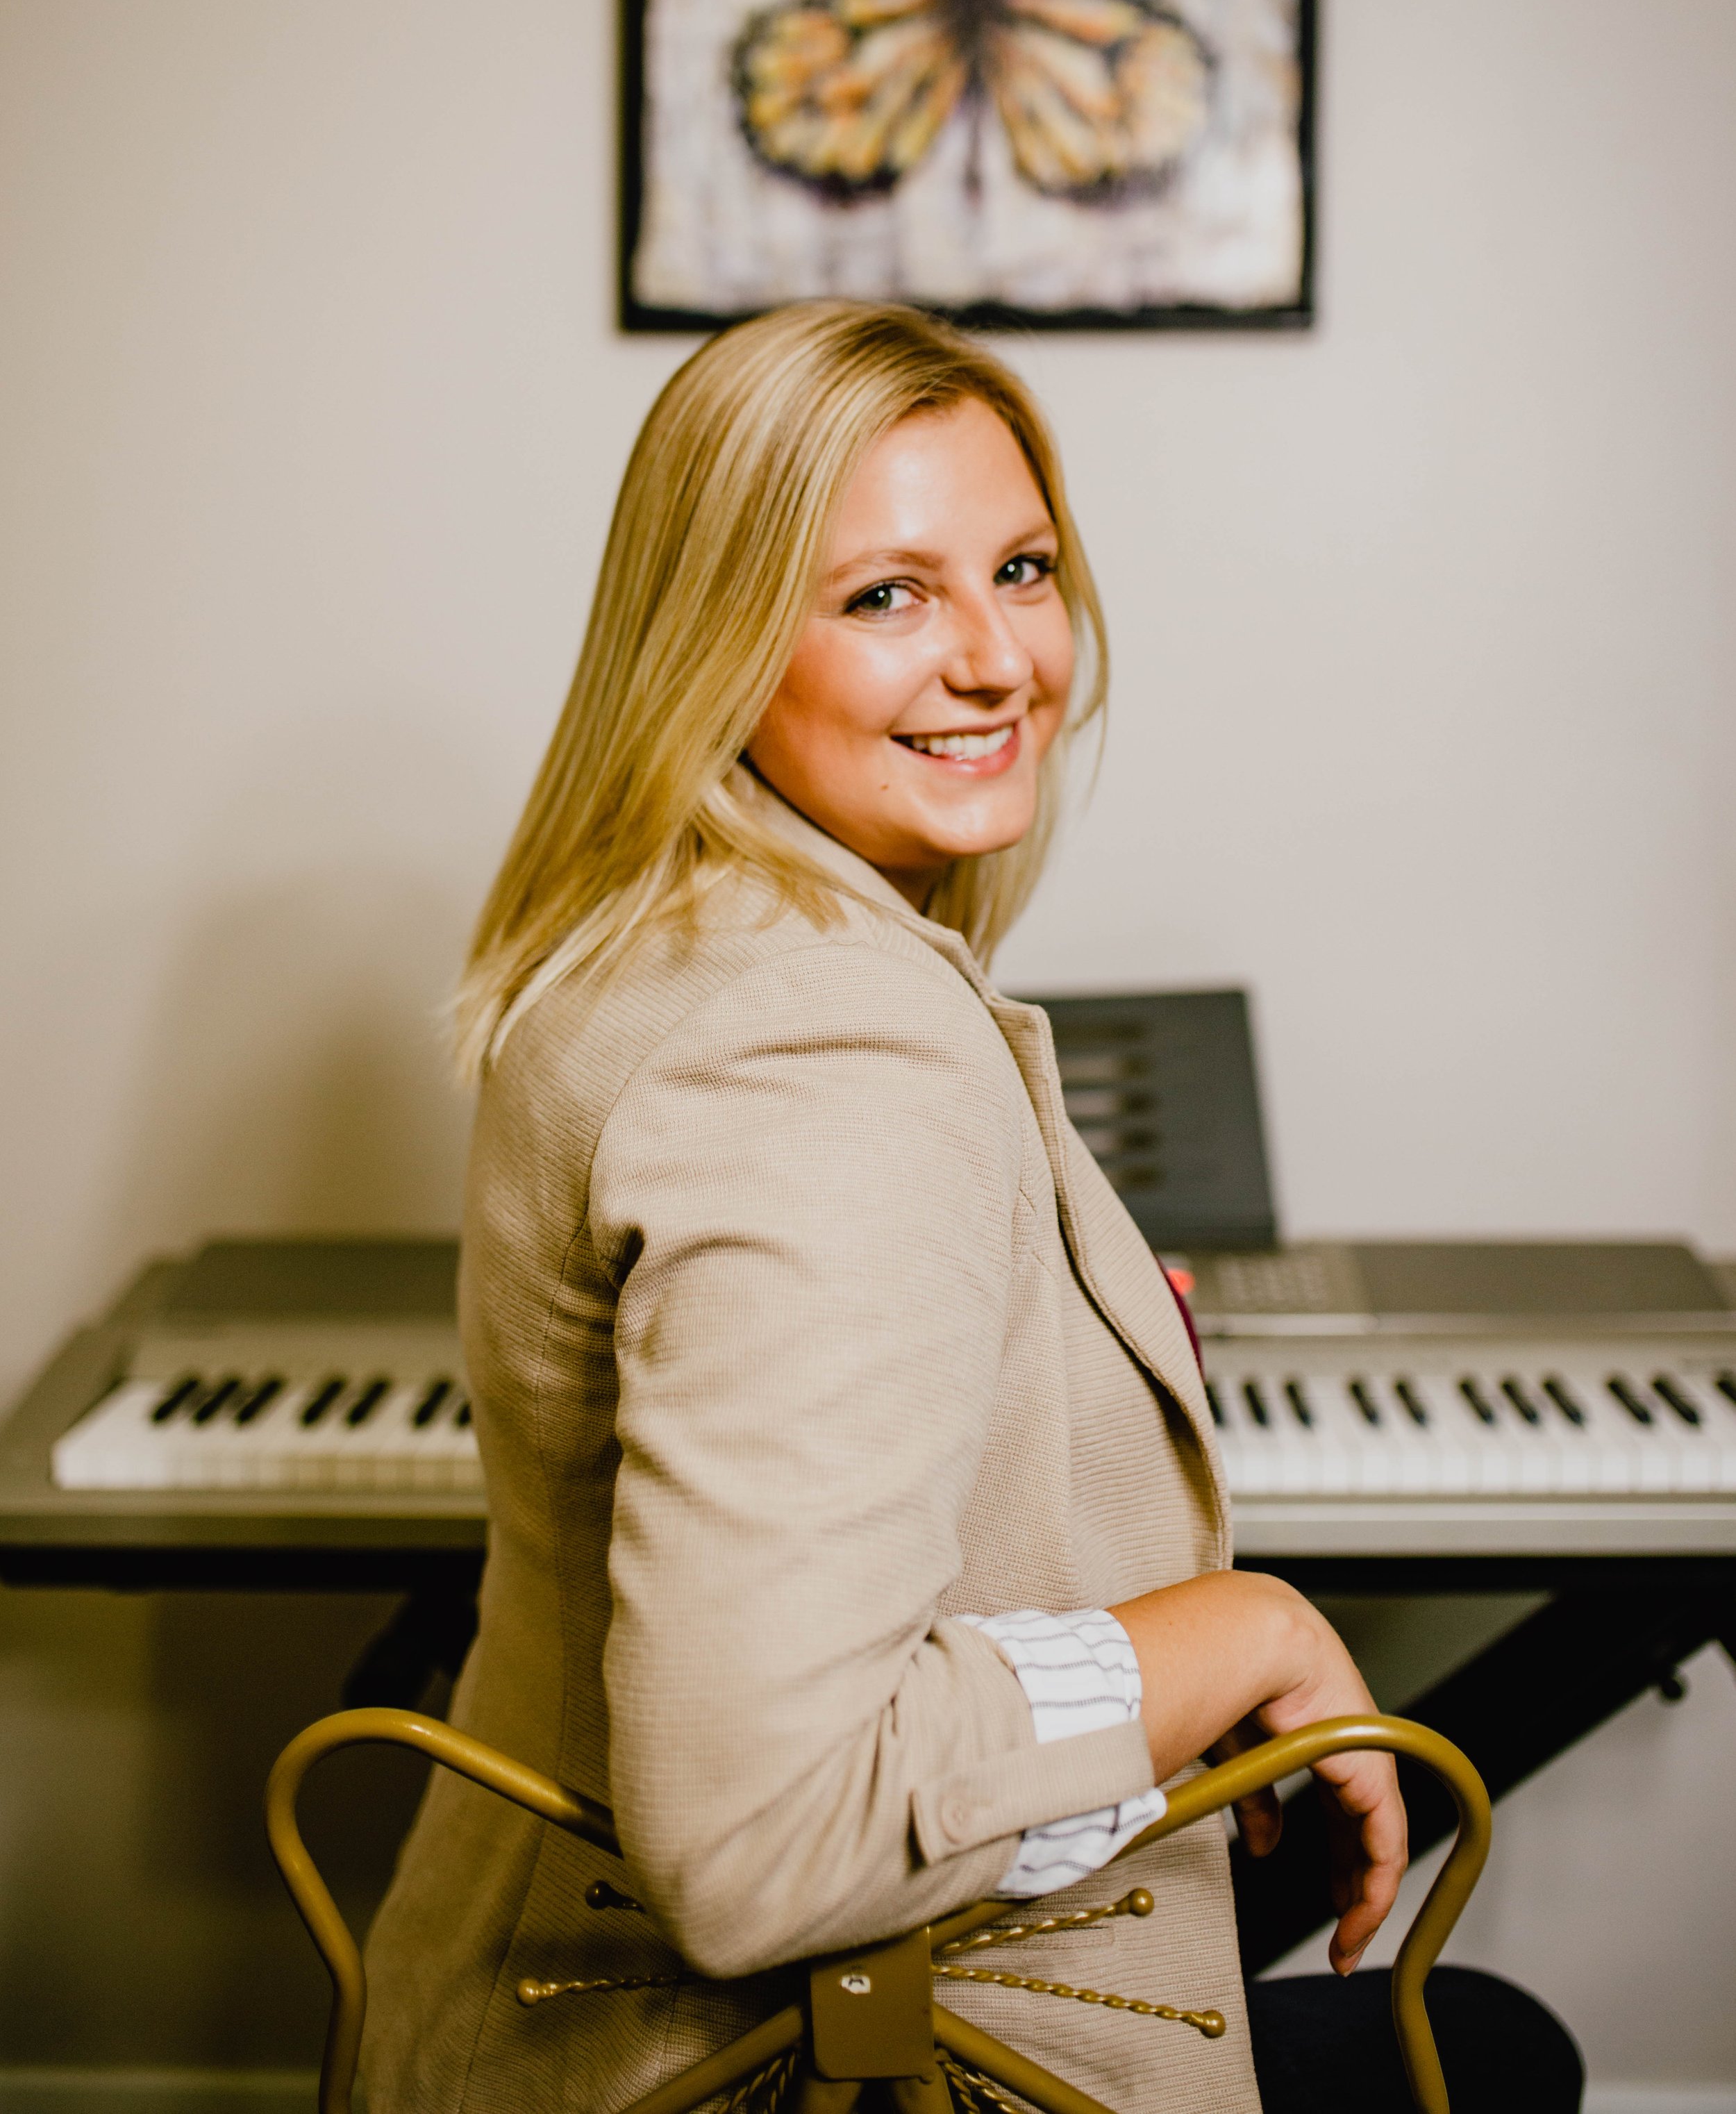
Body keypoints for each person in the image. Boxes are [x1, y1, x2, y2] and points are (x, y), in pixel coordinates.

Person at [362, 301, 1580, 2114]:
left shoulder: (641, 941)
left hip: (484, 2014)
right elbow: (769, 1835)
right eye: (884, 595)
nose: (1001, 657)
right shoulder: (827, 1049)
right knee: (1494, 2051)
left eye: (1020, 568)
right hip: (749, 2068)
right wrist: (1234, 1627)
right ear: (710, 635)